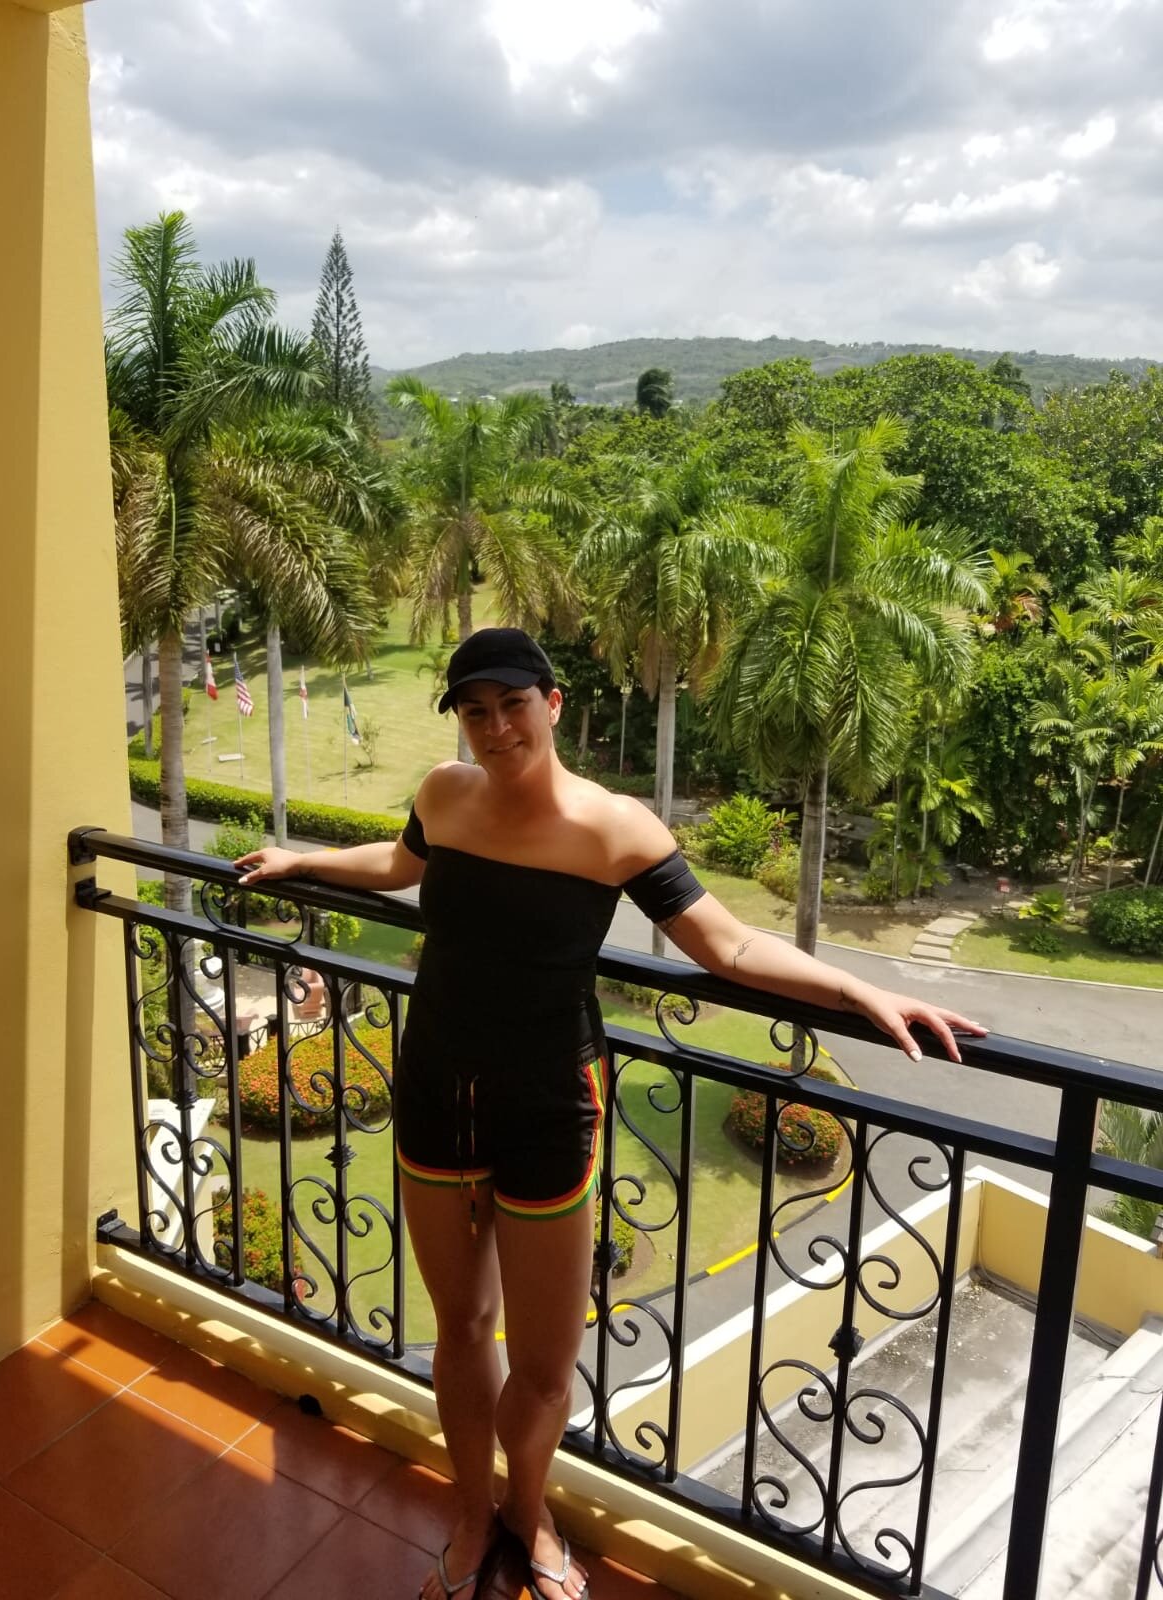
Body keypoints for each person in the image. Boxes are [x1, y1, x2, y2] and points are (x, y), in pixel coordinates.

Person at [236, 627, 986, 1600]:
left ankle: (529, 1508)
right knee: (462, 1329)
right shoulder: (443, 793)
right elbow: (401, 862)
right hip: (435, 1092)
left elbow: (729, 946)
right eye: (475, 709)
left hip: (551, 1103)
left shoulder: (615, 827)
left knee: (545, 1366)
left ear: (552, 704)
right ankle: (472, 1510)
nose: (495, 726)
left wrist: (855, 989)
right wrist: (302, 860)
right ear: (460, 721)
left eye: (513, 703)